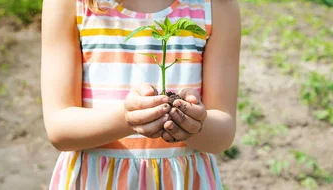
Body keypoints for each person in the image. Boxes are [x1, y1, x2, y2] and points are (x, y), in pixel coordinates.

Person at [41, 0, 240, 189]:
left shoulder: (216, 7)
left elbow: (222, 134)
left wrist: (192, 123)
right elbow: (60, 130)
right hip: (96, 180)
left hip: (181, 181)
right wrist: (126, 119)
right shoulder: (70, 4)